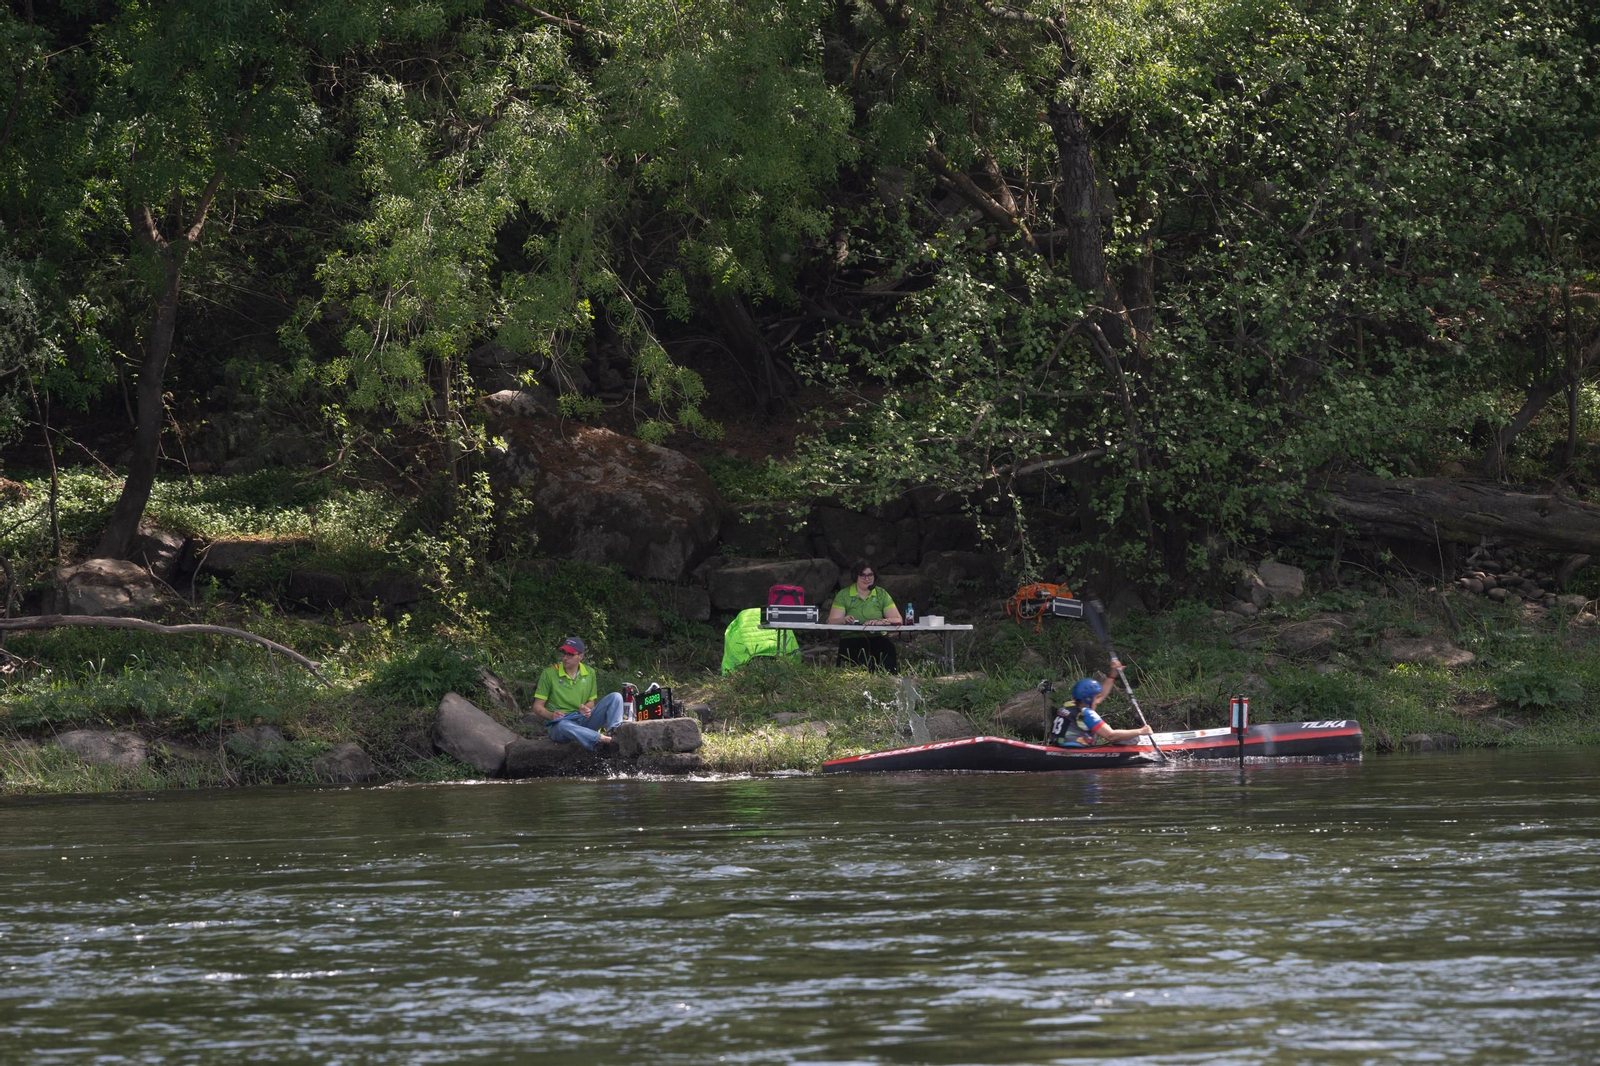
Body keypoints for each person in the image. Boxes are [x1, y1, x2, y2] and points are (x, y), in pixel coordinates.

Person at [530, 636, 625, 751]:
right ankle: (604, 740)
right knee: (563, 725)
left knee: (616, 697)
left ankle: (615, 734)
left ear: (581, 656)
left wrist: (586, 708)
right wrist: (551, 715)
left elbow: (591, 702)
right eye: (563, 653)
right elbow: (537, 706)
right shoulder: (549, 673)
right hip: (560, 725)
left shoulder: (590, 672)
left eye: (570, 654)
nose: (565, 658)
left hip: (582, 719)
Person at [1048, 658, 1154, 747]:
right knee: (1132, 739)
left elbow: (1101, 696)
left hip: (1060, 747)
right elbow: (1110, 735)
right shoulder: (1086, 714)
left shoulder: (1068, 706)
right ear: (1088, 699)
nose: (1098, 701)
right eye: (1096, 697)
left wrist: (1112, 675)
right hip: (1077, 752)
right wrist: (1141, 731)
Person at [827, 561, 903, 672]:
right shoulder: (843, 594)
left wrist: (881, 621)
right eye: (863, 575)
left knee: (888, 649)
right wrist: (844, 620)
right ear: (855, 576)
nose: (867, 578)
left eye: (870, 575)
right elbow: (831, 622)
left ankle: (889, 682)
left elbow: (898, 619)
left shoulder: (882, 594)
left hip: (878, 637)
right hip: (852, 638)